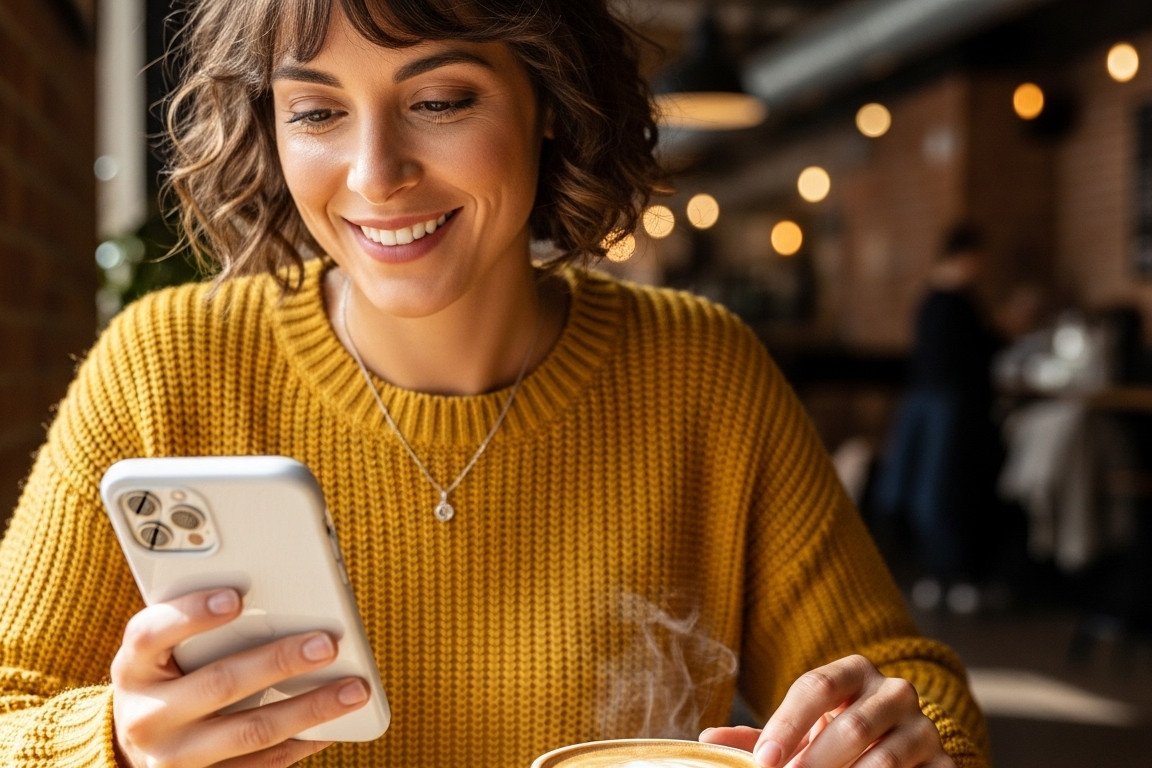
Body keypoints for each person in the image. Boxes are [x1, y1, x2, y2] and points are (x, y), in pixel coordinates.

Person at [0, 1, 988, 766]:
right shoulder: (167, 364)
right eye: (315, 111)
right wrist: (120, 742)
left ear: (549, 102)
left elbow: (911, 686)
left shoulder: (702, 374)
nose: (376, 173)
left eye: (440, 102)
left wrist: (896, 740)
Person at [872, 224, 1007, 614]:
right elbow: (979, 355)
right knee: (943, 492)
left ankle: (939, 576)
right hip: (946, 408)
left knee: (928, 492)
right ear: (968, 255)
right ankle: (952, 575)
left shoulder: (932, 299)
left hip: (924, 402)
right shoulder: (957, 301)